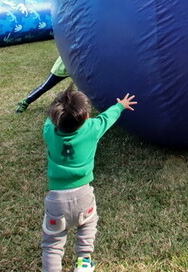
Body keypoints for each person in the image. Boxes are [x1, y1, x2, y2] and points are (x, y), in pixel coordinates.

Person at [41, 87, 136, 272]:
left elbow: (49, 121)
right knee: (87, 225)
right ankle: (84, 261)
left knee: (52, 243)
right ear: (85, 117)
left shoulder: (48, 132)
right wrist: (120, 105)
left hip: (56, 201)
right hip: (84, 196)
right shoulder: (92, 129)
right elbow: (107, 117)